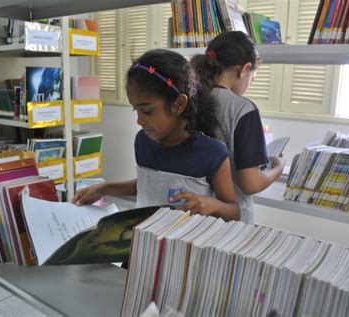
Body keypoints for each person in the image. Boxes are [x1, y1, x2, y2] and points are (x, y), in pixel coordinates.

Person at [73, 49, 240, 221]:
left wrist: (212, 204)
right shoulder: (142, 141)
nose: (139, 120)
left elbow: (234, 212)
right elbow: (149, 185)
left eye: (147, 111)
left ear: (179, 104)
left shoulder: (212, 154)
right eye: (135, 109)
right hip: (146, 240)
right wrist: (104, 188)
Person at [191, 31, 284, 224]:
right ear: (244, 69)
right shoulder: (243, 109)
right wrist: (278, 168)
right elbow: (250, 184)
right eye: (252, 78)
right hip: (231, 217)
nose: (249, 84)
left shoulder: (190, 98)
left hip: (193, 210)